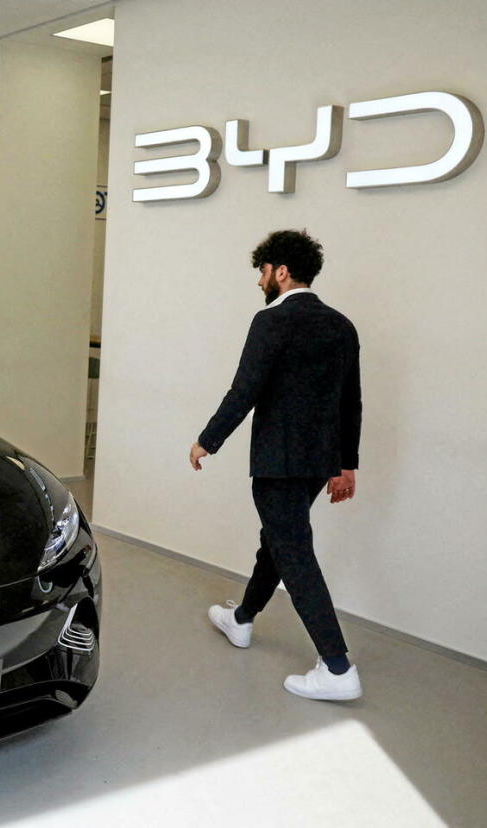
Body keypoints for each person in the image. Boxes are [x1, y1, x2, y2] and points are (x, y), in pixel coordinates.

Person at [189, 229, 363, 702]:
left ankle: (336, 666)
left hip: (277, 461)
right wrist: (346, 464)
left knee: (293, 550)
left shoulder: (271, 321)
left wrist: (208, 439)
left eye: (262, 272)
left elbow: (245, 389)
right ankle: (242, 619)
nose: (260, 281)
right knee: (278, 541)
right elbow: (352, 403)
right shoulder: (341, 325)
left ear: (280, 272)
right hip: (317, 463)